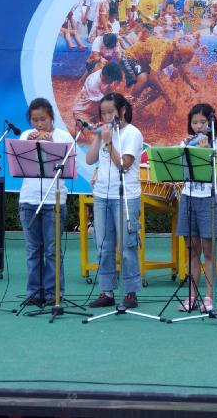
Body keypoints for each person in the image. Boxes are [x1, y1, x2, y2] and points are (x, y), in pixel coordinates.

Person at [85, 93, 145, 309]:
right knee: (103, 246)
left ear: (122, 111)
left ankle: (130, 292)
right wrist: (99, 138)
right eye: (103, 113)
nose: (107, 116)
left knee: (128, 246)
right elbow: (90, 159)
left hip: (125, 196)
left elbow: (124, 165)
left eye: (111, 112)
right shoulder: (104, 134)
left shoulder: (132, 133)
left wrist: (109, 143)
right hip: (102, 195)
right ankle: (106, 291)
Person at [18, 98, 75, 306]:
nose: (39, 124)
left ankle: (53, 294)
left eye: (42, 119)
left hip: (54, 200)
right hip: (29, 199)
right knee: (33, 250)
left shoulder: (63, 137)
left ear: (51, 116)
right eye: (34, 120)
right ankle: (34, 293)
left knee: (52, 250)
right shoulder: (26, 135)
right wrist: (31, 144)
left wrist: (50, 145)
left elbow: (69, 167)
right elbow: (20, 162)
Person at [174, 103, 217, 313]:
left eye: (202, 122)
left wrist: (205, 151)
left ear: (211, 122)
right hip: (188, 197)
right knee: (192, 251)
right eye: (194, 122)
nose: (197, 126)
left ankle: (209, 297)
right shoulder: (186, 143)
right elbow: (177, 168)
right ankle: (192, 296)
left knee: (209, 251)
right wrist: (186, 149)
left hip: (209, 198)